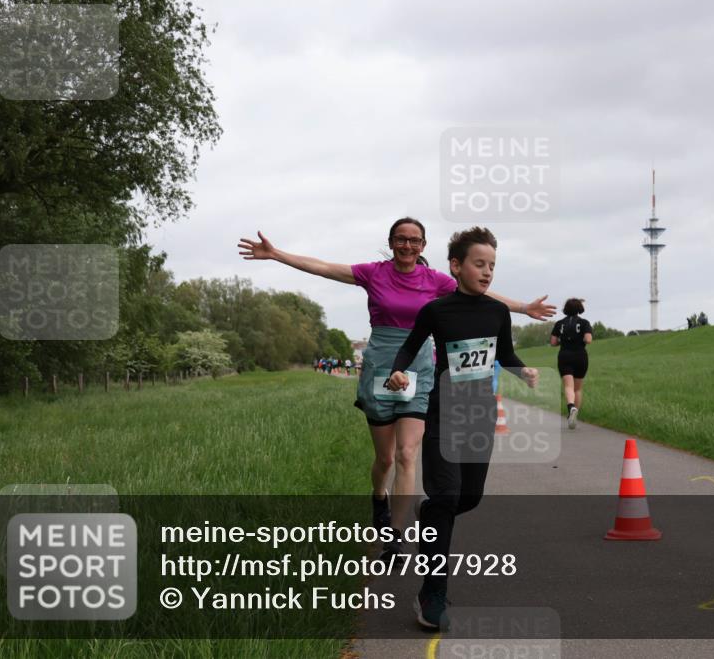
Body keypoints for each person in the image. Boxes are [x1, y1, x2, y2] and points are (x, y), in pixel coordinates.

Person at [238, 219, 555, 558]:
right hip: (380, 368)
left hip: (419, 369)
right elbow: (325, 268)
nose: (407, 246)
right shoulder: (374, 273)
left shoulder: (435, 281)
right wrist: (276, 255)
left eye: (415, 241)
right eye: (401, 240)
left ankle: (394, 538)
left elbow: (480, 291)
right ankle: (379, 498)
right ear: (391, 243)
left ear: (423, 246)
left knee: (407, 454)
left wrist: (522, 307)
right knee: (385, 458)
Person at [386, 227, 538, 630]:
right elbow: (410, 344)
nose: (487, 272)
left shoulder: (497, 312)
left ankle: (431, 508)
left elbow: (504, 353)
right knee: (449, 494)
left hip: (479, 412)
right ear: (456, 266)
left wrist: (523, 371)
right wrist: (398, 370)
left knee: (467, 498)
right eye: (479, 264)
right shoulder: (437, 311)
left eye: (492, 266)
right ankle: (432, 593)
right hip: (444, 411)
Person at [550, 298, 593, 429]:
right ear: (580, 309)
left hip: (565, 356)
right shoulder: (584, 322)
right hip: (580, 356)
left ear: (566, 309)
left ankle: (571, 407)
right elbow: (588, 339)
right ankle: (574, 416)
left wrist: (562, 341)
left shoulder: (559, 324)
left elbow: (553, 343)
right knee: (578, 388)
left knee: (568, 386)